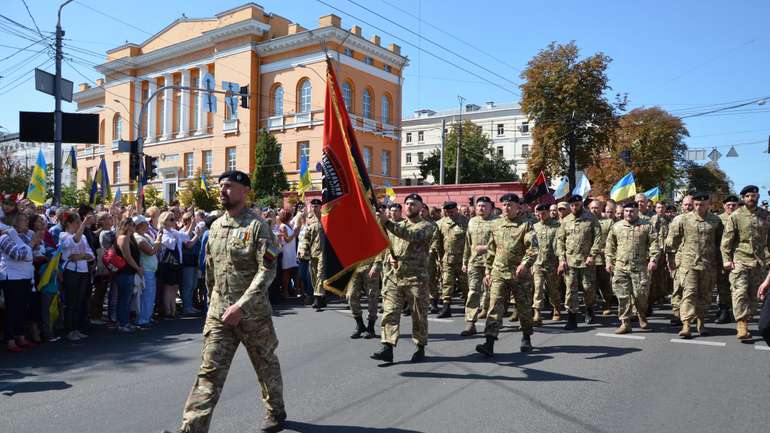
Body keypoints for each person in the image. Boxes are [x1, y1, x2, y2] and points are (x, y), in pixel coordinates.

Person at [165, 170, 285, 433]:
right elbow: (210, 270)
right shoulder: (216, 226)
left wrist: (241, 306)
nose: (222, 191)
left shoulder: (258, 226)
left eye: (229, 186)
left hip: (252, 315)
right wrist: (212, 305)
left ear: (245, 191)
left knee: (265, 365)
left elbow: (267, 271)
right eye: (221, 186)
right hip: (220, 314)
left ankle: (276, 411)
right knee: (209, 373)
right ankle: (191, 429)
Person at [371, 193, 436, 364]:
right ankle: (387, 347)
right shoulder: (397, 225)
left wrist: (387, 222)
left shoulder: (427, 226)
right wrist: (389, 258)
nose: (409, 206)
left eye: (413, 204)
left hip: (416, 278)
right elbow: (388, 246)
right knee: (390, 312)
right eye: (407, 203)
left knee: (418, 315)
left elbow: (411, 236)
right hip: (394, 277)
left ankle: (420, 347)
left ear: (421, 207)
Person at [475, 193, 537, 356]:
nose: (507, 208)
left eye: (510, 205)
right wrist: (488, 270)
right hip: (499, 273)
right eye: (504, 205)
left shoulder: (526, 225)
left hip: (519, 274)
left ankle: (526, 337)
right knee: (494, 307)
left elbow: (533, 249)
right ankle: (489, 343)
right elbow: (490, 250)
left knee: (523, 307)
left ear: (518, 207)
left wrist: (525, 264)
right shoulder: (496, 225)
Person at [665, 193, 722, 338]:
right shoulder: (683, 219)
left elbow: (721, 244)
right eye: (696, 204)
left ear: (708, 204)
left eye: (702, 205)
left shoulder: (715, 221)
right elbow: (672, 241)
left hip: (708, 265)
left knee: (705, 295)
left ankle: (701, 323)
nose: (699, 207)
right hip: (688, 264)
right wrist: (671, 262)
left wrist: (721, 263)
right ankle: (686, 324)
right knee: (689, 294)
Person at [721, 185, 769, 340]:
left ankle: (747, 318)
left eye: (753, 196)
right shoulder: (735, 216)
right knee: (739, 292)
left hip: (759, 262)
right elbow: (726, 241)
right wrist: (727, 260)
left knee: (753, 296)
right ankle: (741, 324)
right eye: (747, 196)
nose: (750, 198)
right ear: (743, 198)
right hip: (740, 259)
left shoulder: (766, 216)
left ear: (757, 197)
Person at [605, 202, 660, 334]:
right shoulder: (617, 227)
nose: (629, 214)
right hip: (620, 267)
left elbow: (654, 244)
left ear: (637, 212)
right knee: (622, 296)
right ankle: (625, 322)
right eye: (626, 211)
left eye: (632, 211)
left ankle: (641, 314)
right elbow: (610, 245)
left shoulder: (646, 226)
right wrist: (609, 261)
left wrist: (653, 260)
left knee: (640, 295)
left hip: (639, 267)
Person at [556, 194, 602, 330]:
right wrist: (561, 259)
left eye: (576, 204)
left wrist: (592, 255)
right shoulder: (566, 220)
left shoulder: (591, 218)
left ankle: (589, 310)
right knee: (570, 290)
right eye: (572, 205)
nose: (574, 207)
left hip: (586, 261)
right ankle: (572, 317)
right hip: (570, 262)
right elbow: (560, 241)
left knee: (588, 288)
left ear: (581, 203)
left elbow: (598, 238)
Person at [1, 212, 40, 352]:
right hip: (11, 278)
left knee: (22, 308)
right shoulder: (4, 238)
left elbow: (30, 254)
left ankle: (21, 336)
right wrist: (32, 243)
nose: (27, 222)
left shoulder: (22, 236)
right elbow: (18, 255)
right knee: (12, 310)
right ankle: (10, 340)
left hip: (24, 277)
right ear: (14, 222)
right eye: (23, 220)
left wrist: (34, 245)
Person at [461, 196, 497, 335]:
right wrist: (464, 261)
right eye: (479, 206)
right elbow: (467, 243)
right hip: (474, 262)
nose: (481, 208)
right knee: (473, 291)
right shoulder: (472, 222)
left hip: (492, 263)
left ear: (490, 208)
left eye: (484, 206)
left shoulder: (497, 222)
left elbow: (501, 243)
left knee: (492, 293)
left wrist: (487, 248)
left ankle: (492, 321)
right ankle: (470, 322)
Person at [60, 210, 96, 342]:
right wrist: (80, 256)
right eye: (77, 222)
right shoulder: (63, 235)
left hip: (83, 271)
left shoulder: (84, 237)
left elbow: (90, 254)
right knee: (71, 301)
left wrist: (80, 256)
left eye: (80, 222)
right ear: (69, 223)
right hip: (71, 272)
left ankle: (76, 329)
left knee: (79, 301)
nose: (79, 225)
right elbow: (74, 242)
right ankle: (69, 330)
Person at [435, 201, 469, 318]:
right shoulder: (440, 223)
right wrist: (439, 258)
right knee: (447, 283)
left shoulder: (466, 222)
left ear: (457, 210)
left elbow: (470, 241)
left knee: (465, 284)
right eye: (448, 212)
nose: (450, 214)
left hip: (462, 260)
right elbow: (438, 242)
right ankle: (446, 307)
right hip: (447, 259)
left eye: (452, 211)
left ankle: (468, 306)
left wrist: (468, 258)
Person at [531, 202, 562, 324]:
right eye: (539, 214)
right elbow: (532, 246)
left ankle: (556, 308)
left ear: (548, 212)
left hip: (552, 264)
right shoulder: (535, 227)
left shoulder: (557, 226)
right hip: (538, 263)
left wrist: (560, 261)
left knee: (553, 289)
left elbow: (559, 245)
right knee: (538, 289)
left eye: (544, 213)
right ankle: (537, 314)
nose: (541, 216)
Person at [667, 195, 694, 325]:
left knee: (692, 289)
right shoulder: (677, 220)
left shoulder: (700, 219)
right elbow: (670, 242)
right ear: (682, 206)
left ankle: (691, 314)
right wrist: (670, 261)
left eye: (690, 204)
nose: (687, 207)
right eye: (685, 205)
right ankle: (677, 313)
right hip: (679, 259)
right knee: (678, 288)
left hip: (694, 260)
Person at [114, 218, 142, 332]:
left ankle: (125, 322)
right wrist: (137, 268)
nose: (134, 227)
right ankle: (122, 323)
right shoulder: (123, 238)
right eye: (132, 225)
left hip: (130, 272)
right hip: (124, 272)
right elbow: (127, 256)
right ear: (126, 226)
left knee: (127, 298)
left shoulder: (130, 238)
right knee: (124, 299)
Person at [134, 215, 162, 329]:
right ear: (140, 225)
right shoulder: (138, 238)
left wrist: (157, 242)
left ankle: (147, 317)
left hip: (150, 269)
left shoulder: (145, 235)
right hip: (145, 270)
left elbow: (156, 248)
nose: (148, 224)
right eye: (146, 223)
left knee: (150, 295)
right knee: (146, 295)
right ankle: (142, 319)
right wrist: (158, 240)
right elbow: (151, 251)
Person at [715, 195, 739, 323]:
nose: (731, 207)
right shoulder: (718, 220)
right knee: (723, 285)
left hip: (738, 258)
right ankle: (724, 309)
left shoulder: (741, 218)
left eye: (734, 205)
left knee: (736, 286)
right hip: (721, 258)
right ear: (724, 206)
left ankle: (734, 310)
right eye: (728, 205)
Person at [589, 199, 614, 316]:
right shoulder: (586, 222)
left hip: (603, 259)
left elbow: (612, 240)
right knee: (590, 285)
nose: (594, 210)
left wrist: (606, 251)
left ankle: (607, 304)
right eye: (592, 208)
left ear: (601, 209)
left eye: (596, 208)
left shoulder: (608, 222)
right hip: (589, 260)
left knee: (605, 284)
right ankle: (591, 307)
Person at [276, 208, 301, 299]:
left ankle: (295, 291)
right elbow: (286, 239)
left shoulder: (289, 225)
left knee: (293, 271)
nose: (291, 215)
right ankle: (285, 292)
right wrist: (295, 234)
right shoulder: (283, 226)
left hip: (292, 251)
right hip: (286, 251)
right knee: (286, 272)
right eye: (290, 214)